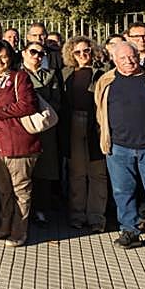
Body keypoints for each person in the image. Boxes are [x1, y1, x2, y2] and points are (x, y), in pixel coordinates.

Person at [94, 42, 145, 262]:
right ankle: (129, 231)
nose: (129, 62)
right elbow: (100, 111)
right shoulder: (106, 81)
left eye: (132, 57)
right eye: (122, 59)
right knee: (123, 191)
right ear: (114, 60)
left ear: (139, 56)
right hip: (118, 147)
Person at [0, 40, 39, 247]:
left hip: (17, 142)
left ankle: (19, 231)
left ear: (11, 56)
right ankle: (4, 227)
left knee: (20, 190)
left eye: (3, 56)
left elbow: (28, 105)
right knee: (3, 189)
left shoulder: (20, 78)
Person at [60, 36, 106, 232]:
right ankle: (77, 214)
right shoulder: (65, 73)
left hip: (97, 123)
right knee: (77, 172)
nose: (82, 55)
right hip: (74, 122)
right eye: (77, 52)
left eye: (86, 50)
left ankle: (96, 217)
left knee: (98, 172)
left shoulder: (103, 72)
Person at [22, 41, 63, 223]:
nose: (37, 56)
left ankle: (41, 210)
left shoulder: (51, 75)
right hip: (23, 128)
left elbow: (57, 100)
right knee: (24, 172)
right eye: (33, 52)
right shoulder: (17, 74)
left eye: (41, 53)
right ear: (24, 53)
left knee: (45, 171)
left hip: (46, 128)